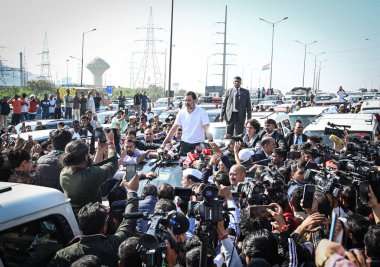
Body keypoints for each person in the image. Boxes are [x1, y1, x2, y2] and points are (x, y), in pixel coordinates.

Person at [49, 176, 139, 267]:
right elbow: (129, 220)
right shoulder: (114, 244)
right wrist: (132, 192)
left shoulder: (63, 255)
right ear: (103, 227)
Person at [59, 130, 118, 215]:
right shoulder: (90, 175)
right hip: (93, 218)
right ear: (86, 157)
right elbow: (113, 165)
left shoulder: (64, 172)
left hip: (74, 217)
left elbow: (92, 168)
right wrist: (111, 144)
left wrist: (100, 151)